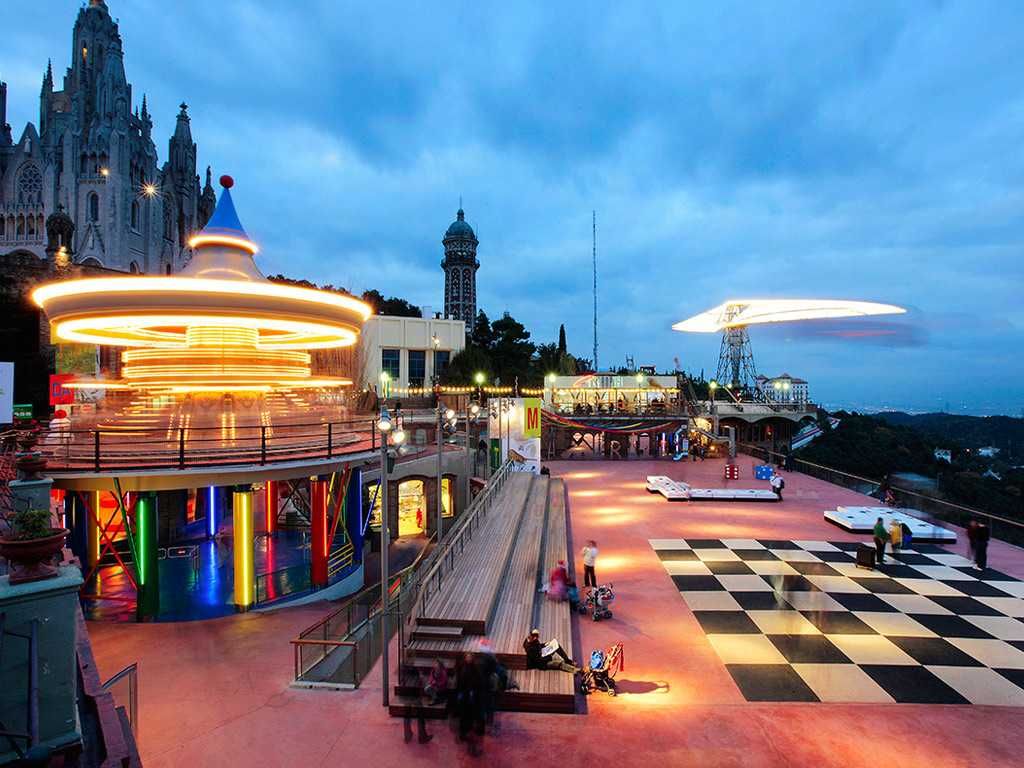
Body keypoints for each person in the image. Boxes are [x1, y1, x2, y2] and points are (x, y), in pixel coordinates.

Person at [400, 664, 433, 745]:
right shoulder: (415, 670)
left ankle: (407, 736)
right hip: (414, 695)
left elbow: (402, 681)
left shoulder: (403, 668)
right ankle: (422, 737)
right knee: (420, 716)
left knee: (407, 716)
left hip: (406, 694)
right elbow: (422, 682)